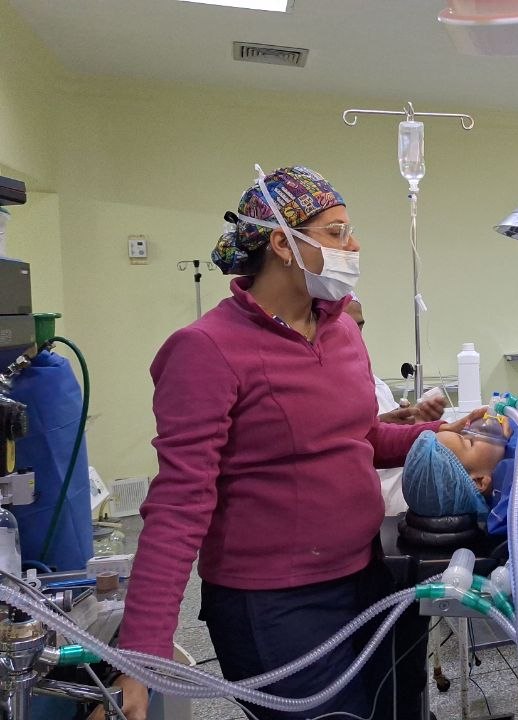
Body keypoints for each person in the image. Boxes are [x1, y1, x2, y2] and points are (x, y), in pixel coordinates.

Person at [101, 166, 474, 720]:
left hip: (366, 574)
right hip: (274, 602)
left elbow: (360, 438)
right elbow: (179, 503)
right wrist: (143, 648)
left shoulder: (341, 330)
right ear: (282, 243)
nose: (354, 245)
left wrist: (444, 435)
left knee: (396, 708)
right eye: (336, 232)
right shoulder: (207, 349)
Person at [345, 296, 447, 515]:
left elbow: (386, 435)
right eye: (344, 327)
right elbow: (342, 445)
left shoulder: (374, 383)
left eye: (359, 327)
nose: (355, 337)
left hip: (401, 504)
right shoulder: (315, 385)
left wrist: (416, 422)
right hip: (366, 507)